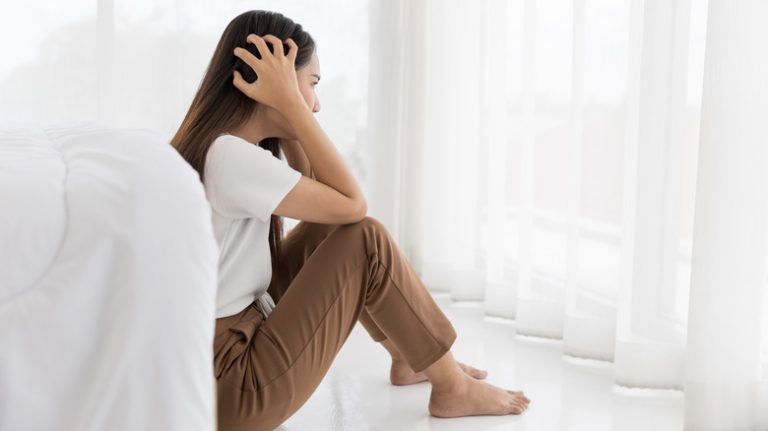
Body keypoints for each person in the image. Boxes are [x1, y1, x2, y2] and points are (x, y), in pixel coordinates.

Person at [171, 10, 530, 431]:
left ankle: (407, 353)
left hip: (217, 362)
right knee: (366, 239)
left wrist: (288, 113)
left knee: (331, 229)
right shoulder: (230, 159)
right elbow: (353, 206)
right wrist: (290, 104)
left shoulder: (222, 147)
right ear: (276, 84)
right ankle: (451, 387)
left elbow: (325, 202)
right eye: (312, 84)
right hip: (237, 383)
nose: (316, 103)